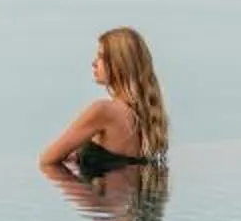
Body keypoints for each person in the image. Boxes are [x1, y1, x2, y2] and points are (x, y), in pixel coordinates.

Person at [38, 26, 170, 180]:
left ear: (119, 64)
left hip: (101, 200)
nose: (94, 63)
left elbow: (46, 161)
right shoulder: (146, 117)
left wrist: (85, 198)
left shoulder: (104, 111)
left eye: (101, 57)